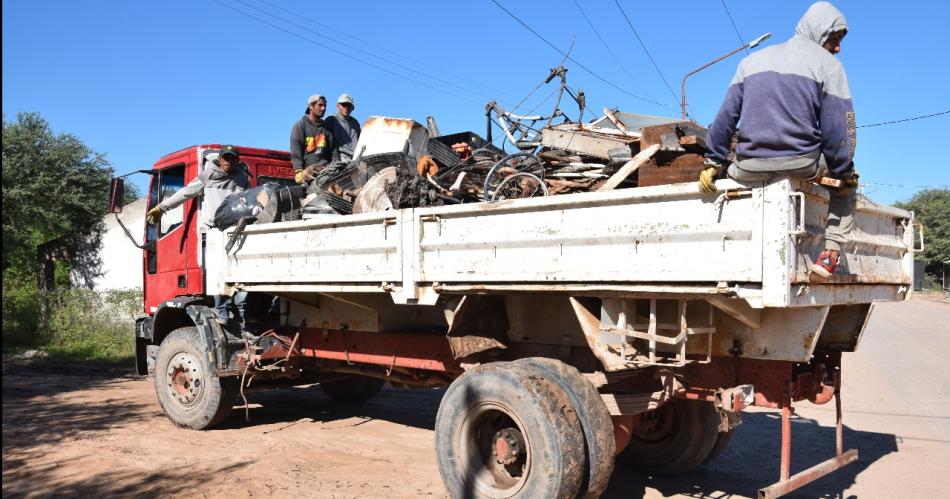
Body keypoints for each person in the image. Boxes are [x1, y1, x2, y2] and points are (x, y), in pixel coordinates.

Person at [700, 1, 859, 277]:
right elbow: (839, 132)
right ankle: (830, 255)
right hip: (802, 164)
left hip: (748, 167)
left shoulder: (750, 62)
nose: (838, 48)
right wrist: (844, 171)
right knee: (848, 184)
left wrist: (713, 162)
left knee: (729, 168)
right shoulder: (830, 66)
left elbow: (725, 118)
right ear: (819, 32)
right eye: (834, 39)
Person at [145, 145, 251, 331]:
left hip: (235, 232)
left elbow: (248, 201)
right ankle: (223, 312)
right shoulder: (208, 174)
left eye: (232, 158)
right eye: (225, 158)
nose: (228, 161)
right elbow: (186, 192)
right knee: (218, 274)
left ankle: (242, 316)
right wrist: (161, 208)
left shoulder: (242, 178)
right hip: (214, 232)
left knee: (241, 275)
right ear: (219, 158)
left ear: (237, 160)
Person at [290, 94, 335, 184]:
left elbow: (334, 152)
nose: (323, 108)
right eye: (320, 105)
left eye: (325, 106)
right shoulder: (300, 126)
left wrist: (336, 166)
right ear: (310, 106)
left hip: (327, 172)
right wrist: (300, 174)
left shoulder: (327, 128)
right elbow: (296, 152)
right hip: (309, 173)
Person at [325, 93, 362, 162]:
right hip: (338, 156)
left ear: (352, 108)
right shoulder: (331, 120)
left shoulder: (355, 123)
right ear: (337, 106)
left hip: (355, 157)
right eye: (343, 105)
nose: (346, 108)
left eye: (349, 105)